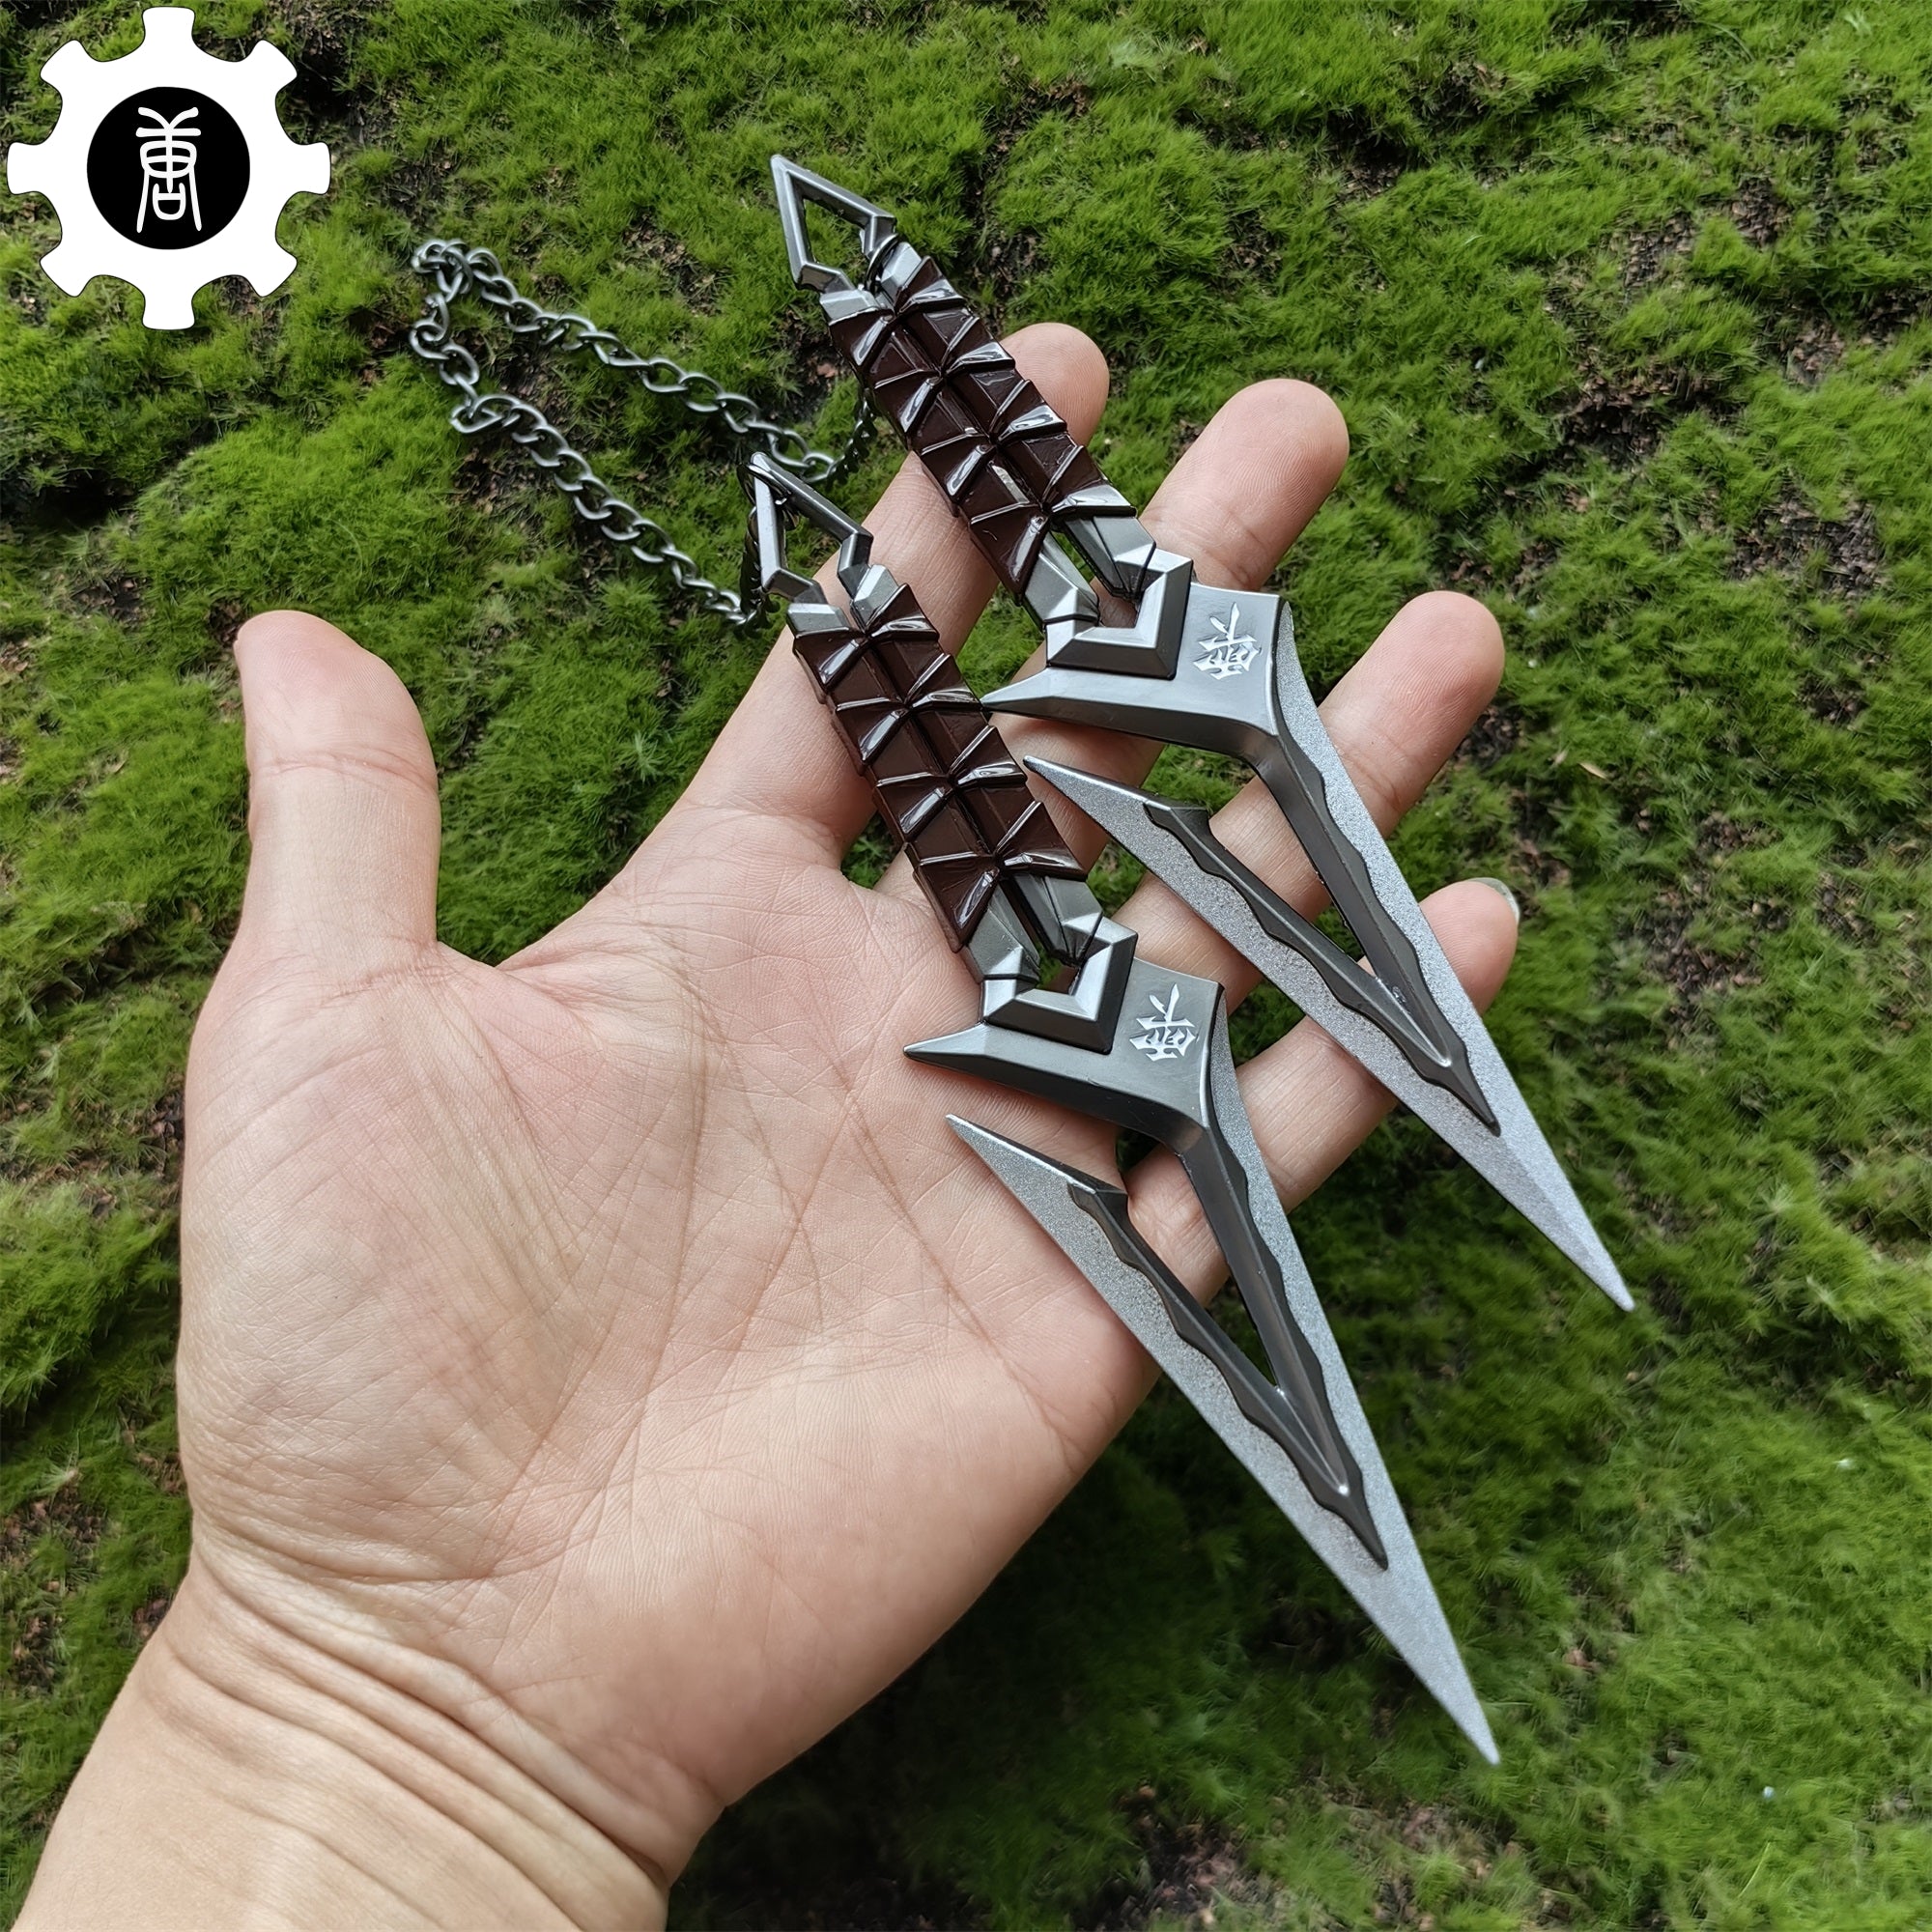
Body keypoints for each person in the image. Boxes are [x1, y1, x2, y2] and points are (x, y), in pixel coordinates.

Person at [17, 329, 1517, 1930]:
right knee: (979, 771)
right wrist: (358, 1687)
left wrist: (354, 1712)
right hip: (1031, 950)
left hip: (1062, 956)